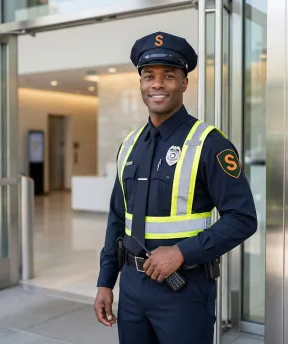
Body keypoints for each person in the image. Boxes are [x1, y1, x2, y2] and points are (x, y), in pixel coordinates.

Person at [94, 31, 257, 344]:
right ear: (140, 83)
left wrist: (183, 251)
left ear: (184, 82)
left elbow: (243, 218)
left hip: (183, 291)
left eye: (168, 75)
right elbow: (117, 220)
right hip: (131, 288)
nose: (157, 84)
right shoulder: (129, 145)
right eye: (148, 76)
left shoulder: (209, 143)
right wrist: (106, 281)